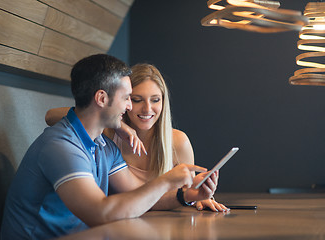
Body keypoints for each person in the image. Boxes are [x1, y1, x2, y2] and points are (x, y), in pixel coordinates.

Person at [1, 54, 218, 239]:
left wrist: (187, 195)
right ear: (101, 98)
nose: (130, 107)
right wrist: (166, 180)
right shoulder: (61, 146)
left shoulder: (104, 146)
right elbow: (100, 213)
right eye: (127, 98)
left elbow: (140, 197)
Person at [45, 63, 228, 212]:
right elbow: (51, 116)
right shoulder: (107, 136)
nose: (147, 109)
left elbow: (185, 192)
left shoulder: (178, 142)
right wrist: (119, 125)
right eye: (136, 99)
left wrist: (198, 197)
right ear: (123, 100)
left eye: (155, 100)